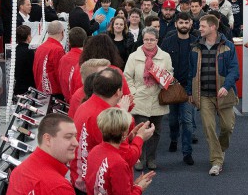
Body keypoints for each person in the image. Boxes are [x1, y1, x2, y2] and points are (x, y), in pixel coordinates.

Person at [70, 68, 146, 194]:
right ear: (118, 91)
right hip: (95, 185)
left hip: (83, 178)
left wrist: (130, 136)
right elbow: (125, 158)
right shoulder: (104, 116)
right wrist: (140, 138)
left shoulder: (85, 106)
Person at [189, 15, 240, 176]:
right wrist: (190, 92)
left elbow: (234, 70)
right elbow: (191, 71)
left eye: (203, 26)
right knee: (209, 127)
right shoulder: (195, 47)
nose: (200, 28)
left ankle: (221, 149)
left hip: (224, 94)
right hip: (203, 94)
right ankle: (216, 161)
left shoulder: (228, 46)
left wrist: (226, 86)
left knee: (227, 127)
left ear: (213, 27)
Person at [125, 27, 173, 171]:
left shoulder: (165, 56)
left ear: (157, 40)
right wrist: (134, 92)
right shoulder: (134, 56)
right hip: (139, 99)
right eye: (146, 39)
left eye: (152, 39)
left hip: (158, 98)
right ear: (142, 39)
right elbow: (127, 76)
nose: (149, 42)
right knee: (139, 131)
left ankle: (151, 158)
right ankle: (138, 158)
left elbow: (169, 75)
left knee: (156, 132)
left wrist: (162, 77)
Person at [86, 108, 157, 195]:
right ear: (123, 134)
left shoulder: (94, 151)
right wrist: (139, 188)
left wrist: (133, 185)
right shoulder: (118, 163)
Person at [7, 113, 78, 195]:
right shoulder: (58, 187)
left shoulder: (18, 171)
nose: (76, 143)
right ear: (48, 139)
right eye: (68, 137)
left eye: (75, 136)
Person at [161, 12, 197, 165]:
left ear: (190, 24)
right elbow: (160, 64)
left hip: (189, 88)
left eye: (186, 23)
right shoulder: (167, 42)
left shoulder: (197, 43)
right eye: (181, 23)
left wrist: (192, 88)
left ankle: (187, 152)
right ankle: (174, 138)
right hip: (171, 87)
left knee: (187, 121)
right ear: (176, 24)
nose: (183, 25)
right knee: (173, 120)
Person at [33, 21, 66, 99]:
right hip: (54, 93)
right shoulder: (57, 50)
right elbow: (60, 74)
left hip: (41, 90)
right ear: (62, 32)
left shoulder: (40, 47)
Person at [58, 27, 87, 102]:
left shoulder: (63, 58)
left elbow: (61, 79)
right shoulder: (86, 59)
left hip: (67, 99)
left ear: (69, 42)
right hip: (80, 101)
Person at [13, 25, 35, 95]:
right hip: (28, 88)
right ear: (28, 37)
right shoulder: (29, 52)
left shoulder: (15, 50)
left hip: (18, 85)